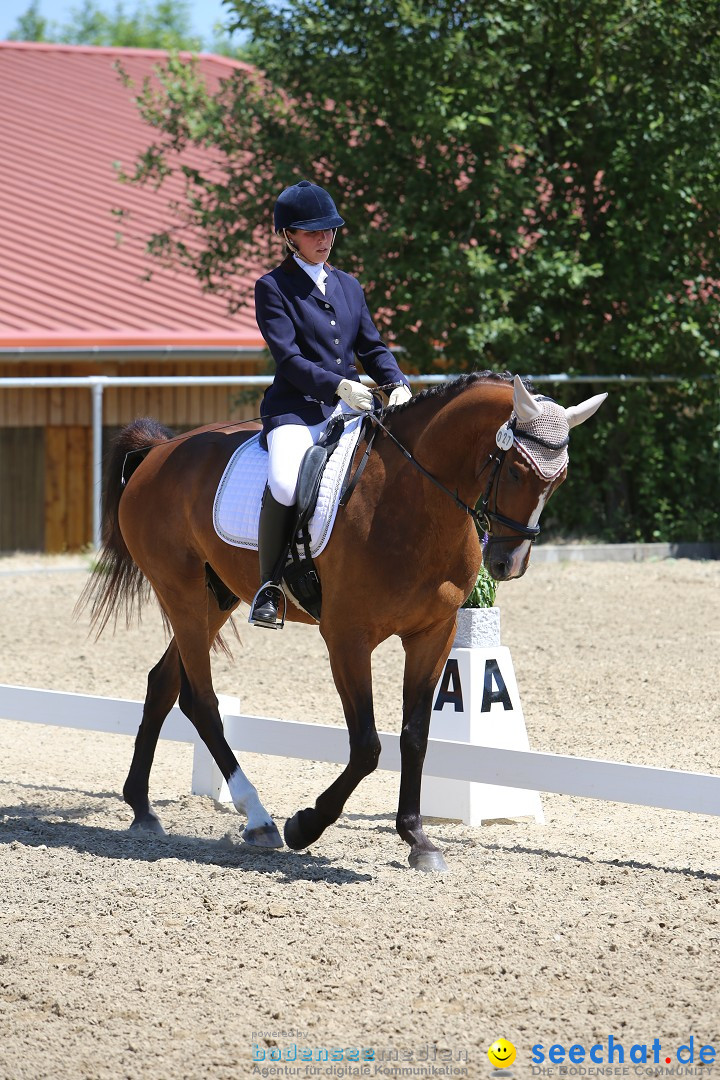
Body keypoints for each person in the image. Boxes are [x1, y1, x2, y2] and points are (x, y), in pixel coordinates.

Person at [248, 179, 412, 628]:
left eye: (330, 231)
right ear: (289, 236)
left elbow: (372, 347)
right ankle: (269, 586)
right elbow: (289, 358)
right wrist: (340, 386)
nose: (324, 240)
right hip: (296, 409)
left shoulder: (348, 286)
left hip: (353, 406)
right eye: (313, 232)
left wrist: (395, 381)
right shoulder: (273, 287)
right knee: (284, 483)